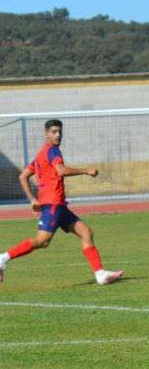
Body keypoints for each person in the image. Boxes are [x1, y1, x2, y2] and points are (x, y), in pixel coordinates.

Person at [0, 119, 123, 285]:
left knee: (86, 232)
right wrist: (86, 170)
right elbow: (61, 170)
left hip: (58, 205)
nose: (58, 135)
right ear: (46, 134)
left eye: (59, 131)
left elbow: (23, 176)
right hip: (53, 204)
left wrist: (32, 200)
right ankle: (2, 258)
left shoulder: (41, 154)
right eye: (53, 132)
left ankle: (100, 274)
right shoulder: (52, 151)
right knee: (42, 241)